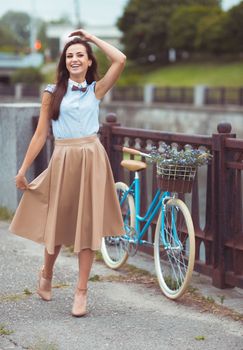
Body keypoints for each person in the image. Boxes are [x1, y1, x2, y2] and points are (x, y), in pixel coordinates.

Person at [9, 29, 126, 317]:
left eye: (80, 55)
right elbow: (39, 136)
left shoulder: (95, 90)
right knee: (58, 225)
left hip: (91, 158)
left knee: (88, 228)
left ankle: (81, 291)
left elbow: (120, 59)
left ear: (88, 62)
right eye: (70, 55)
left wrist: (90, 37)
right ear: (64, 62)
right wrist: (23, 170)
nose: (74, 59)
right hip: (63, 157)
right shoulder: (52, 93)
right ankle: (46, 272)